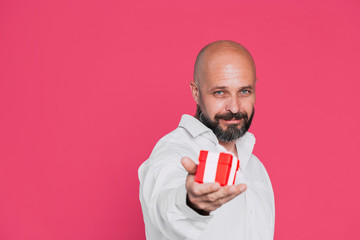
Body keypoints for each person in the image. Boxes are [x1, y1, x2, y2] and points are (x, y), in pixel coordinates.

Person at [138, 40, 275, 240]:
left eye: (244, 91)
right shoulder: (173, 152)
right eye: (220, 93)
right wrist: (191, 203)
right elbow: (164, 207)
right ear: (196, 92)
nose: (235, 107)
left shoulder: (256, 167)